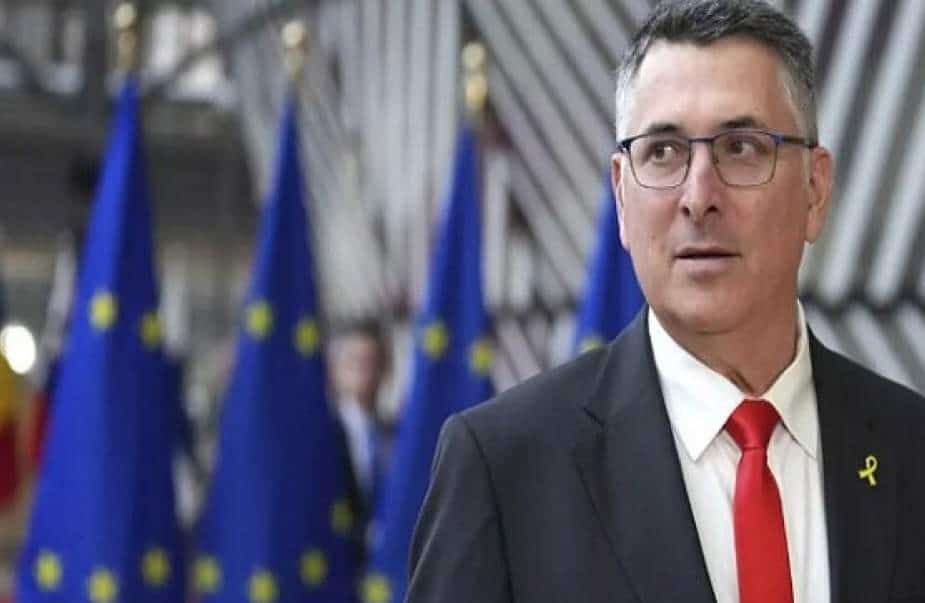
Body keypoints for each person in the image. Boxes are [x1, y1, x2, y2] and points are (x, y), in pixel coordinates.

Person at [405, 1, 925, 602]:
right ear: (622, 198)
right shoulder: (504, 470)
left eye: (741, 147)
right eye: (663, 152)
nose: (698, 196)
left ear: (814, 189)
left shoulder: (910, 447)